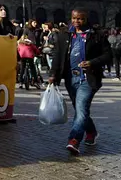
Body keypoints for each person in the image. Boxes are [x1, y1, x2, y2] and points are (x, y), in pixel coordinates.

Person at [48, 8, 112, 156]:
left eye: (80, 19)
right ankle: (91, 132)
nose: (77, 21)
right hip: (71, 78)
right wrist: (53, 74)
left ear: (86, 19)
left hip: (88, 79)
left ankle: (74, 140)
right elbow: (58, 56)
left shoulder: (96, 35)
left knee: (82, 108)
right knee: (80, 110)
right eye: (74, 18)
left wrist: (92, 62)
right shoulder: (65, 34)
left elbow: (108, 55)